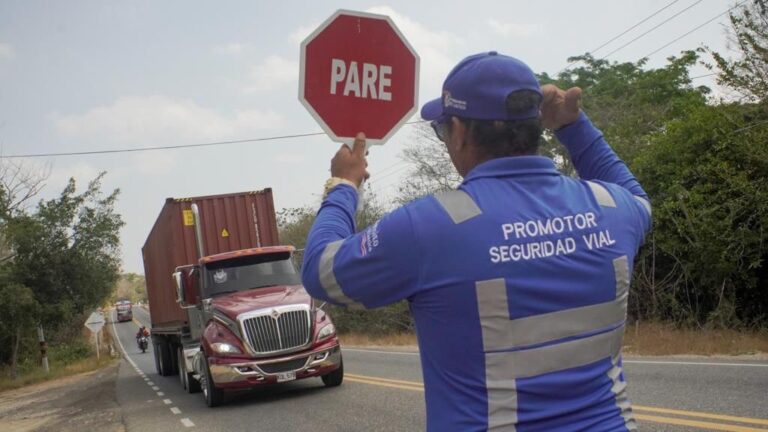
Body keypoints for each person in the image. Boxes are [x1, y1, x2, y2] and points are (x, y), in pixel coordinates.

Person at [302, 51, 651, 431]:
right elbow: (637, 196)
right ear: (534, 127)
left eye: (442, 129)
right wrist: (573, 126)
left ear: (462, 132)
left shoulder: (430, 226)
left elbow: (321, 269)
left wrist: (343, 186)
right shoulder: (612, 209)